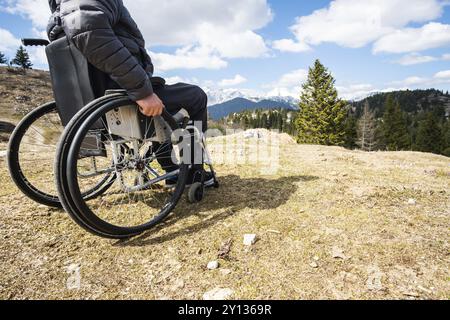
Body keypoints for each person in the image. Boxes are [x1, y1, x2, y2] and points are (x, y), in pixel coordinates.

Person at [46, 0, 213, 187]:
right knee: (196, 96)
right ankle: (191, 171)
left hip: (93, 100)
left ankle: (171, 167)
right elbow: (92, 35)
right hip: (121, 94)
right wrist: (142, 92)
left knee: (165, 97)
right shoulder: (86, 4)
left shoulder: (59, 15)